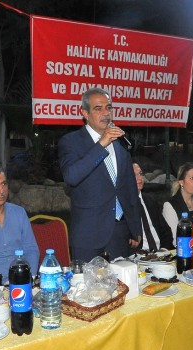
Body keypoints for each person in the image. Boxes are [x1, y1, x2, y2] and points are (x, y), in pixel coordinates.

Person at [58, 88, 142, 261]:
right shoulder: (71, 141)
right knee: (89, 279)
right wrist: (101, 145)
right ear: (85, 113)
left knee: (123, 278)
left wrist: (135, 227)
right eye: (98, 108)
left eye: (108, 107)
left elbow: (129, 187)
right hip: (88, 235)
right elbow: (72, 176)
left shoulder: (120, 142)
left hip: (120, 232)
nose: (106, 113)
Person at [133, 163, 174, 251]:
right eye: (134, 175)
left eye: (140, 174)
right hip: (140, 254)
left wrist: (163, 249)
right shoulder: (123, 207)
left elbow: (166, 231)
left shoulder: (150, 200)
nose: (139, 178)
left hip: (160, 253)